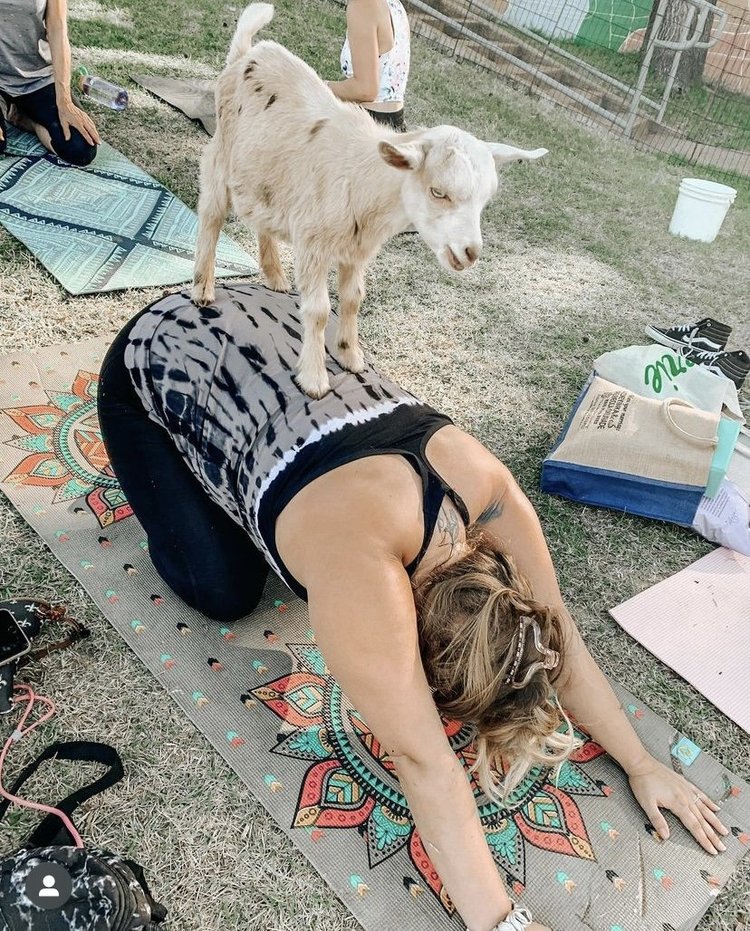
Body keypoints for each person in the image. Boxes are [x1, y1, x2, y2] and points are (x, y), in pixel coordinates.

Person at [98, 282, 729, 931]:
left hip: (279, 329)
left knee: (290, 536)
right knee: (225, 591)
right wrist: (504, 923)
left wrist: (642, 763)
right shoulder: (363, 570)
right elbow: (424, 761)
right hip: (164, 347)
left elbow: (559, 634)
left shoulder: (491, 492)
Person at [0, 0, 99, 165]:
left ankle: (24, 118)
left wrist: (65, 102)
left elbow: (58, 29)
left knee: (80, 147)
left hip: (37, 77)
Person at [326, 0, 410, 132]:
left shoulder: (364, 4)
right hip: (394, 126)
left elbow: (365, 90)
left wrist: (320, 86)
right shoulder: (395, 5)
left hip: (366, 128)